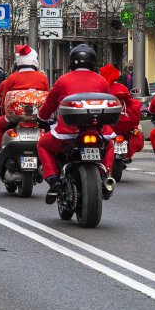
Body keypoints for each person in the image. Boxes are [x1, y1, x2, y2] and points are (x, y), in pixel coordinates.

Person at [36, 44, 114, 204]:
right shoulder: (101, 80)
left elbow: (49, 105)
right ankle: (106, 176)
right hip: (97, 131)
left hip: (68, 134)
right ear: (93, 62)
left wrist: (41, 118)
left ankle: (53, 179)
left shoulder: (63, 80)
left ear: (71, 62)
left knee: (42, 144)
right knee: (110, 145)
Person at [0, 45, 49, 163]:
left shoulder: (12, 78)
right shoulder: (42, 77)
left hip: (15, 118)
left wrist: (5, 114)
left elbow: (5, 100)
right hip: (37, 118)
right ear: (35, 60)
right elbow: (48, 97)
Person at [100, 63, 144, 161]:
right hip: (124, 122)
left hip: (108, 123)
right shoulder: (122, 87)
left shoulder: (101, 88)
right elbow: (130, 102)